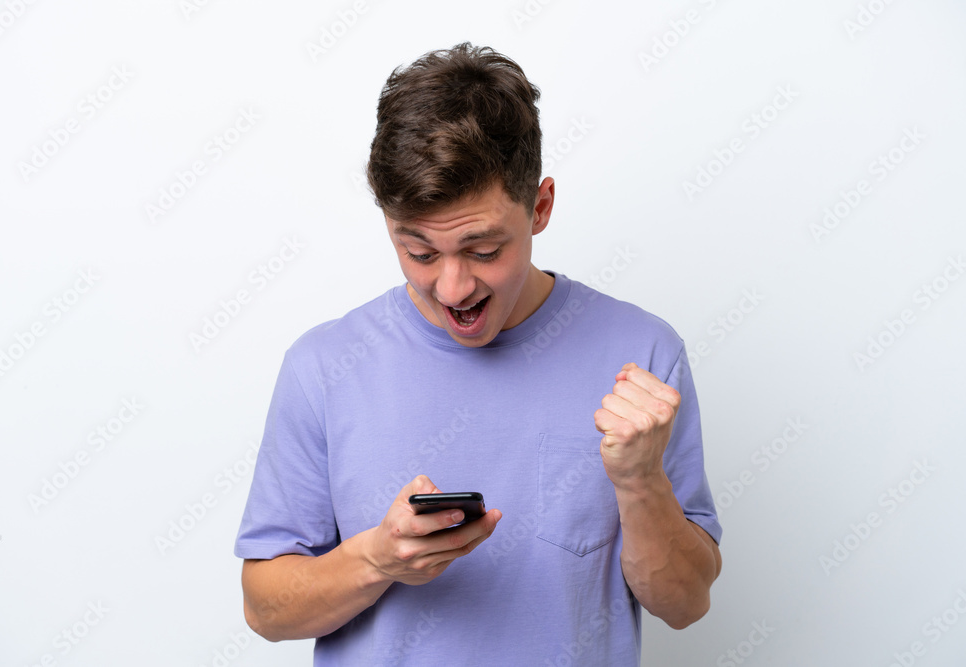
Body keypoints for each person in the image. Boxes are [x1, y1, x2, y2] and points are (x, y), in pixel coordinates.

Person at [234, 42, 722, 665]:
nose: (454, 288)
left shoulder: (644, 355)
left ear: (540, 207)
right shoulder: (323, 367)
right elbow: (265, 611)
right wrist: (377, 558)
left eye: (484, 250)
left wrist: (641, 481)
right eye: (420, 251)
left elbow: (685, 604)